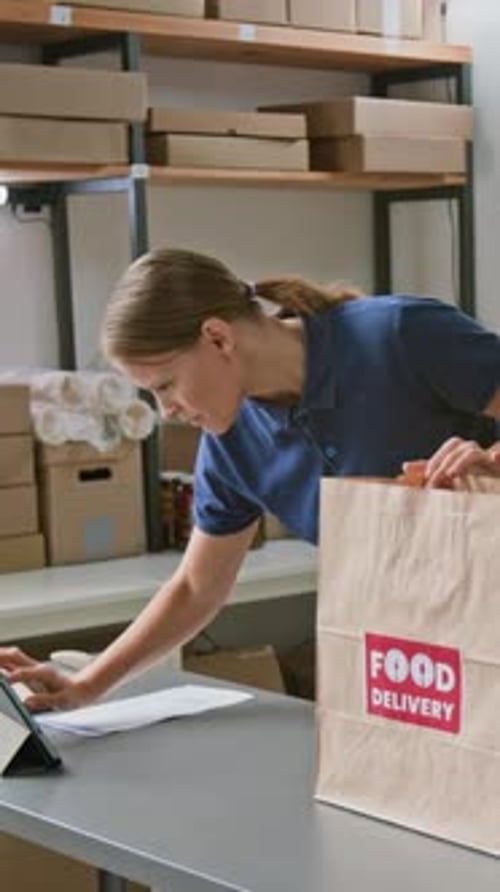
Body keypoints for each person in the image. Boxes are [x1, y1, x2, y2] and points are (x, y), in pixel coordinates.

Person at [1, 248, 499, 711]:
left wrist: (490, 463)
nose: (167, 411)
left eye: (165, 385)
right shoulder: (232, 444)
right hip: (421, 657)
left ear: (218, 336)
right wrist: (87, 684)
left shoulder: (398, 335)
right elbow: (198, 587)